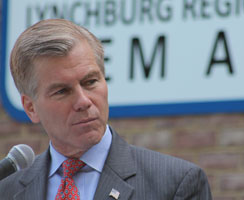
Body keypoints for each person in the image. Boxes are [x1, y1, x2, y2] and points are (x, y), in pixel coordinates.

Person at [0, 19, 212, 200]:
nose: (83, 101)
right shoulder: (7, 189)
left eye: (90, 81)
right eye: (62, 91)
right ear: (30, 108)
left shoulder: (174, 183)